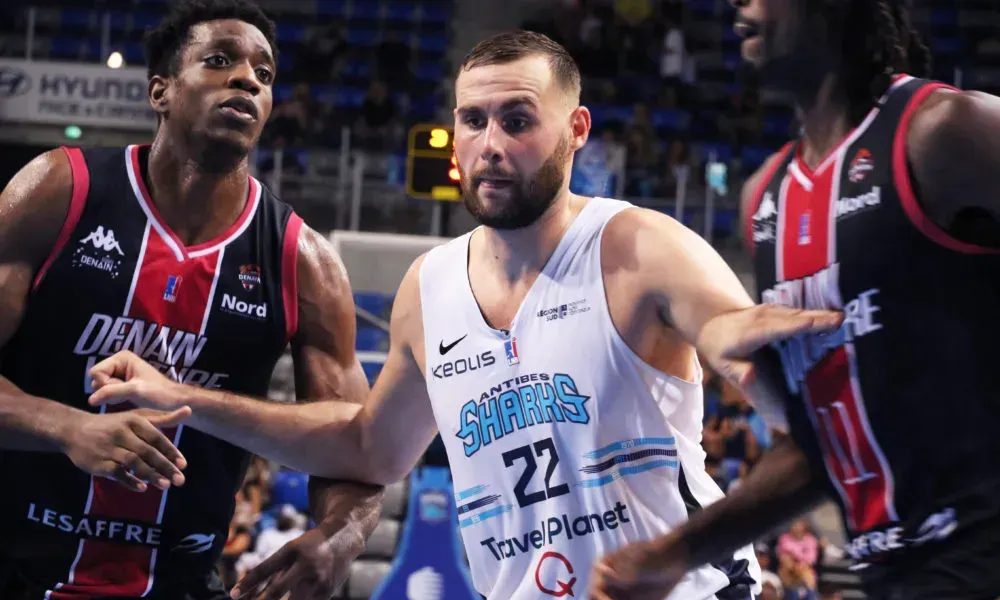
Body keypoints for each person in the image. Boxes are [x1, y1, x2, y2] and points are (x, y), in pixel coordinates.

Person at [88, 30, 842, 599]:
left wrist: (733, 333)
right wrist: (181, 400)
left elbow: (724, 325)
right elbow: (368, 448)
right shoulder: (431, 285)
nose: (489, 145)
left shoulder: (637, 244)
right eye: (473, 120)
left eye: (518, 120)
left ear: (577, 130)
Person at [589, 1, 1000, 599]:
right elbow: (814, 449)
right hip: (901, 578)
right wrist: (673, 553)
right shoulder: (767, 203)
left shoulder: (947, 130)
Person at [0, 1, 382, 598]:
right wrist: (67, 427)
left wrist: (341, 534)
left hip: (181, 583)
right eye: (220, 60)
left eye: (263, 73)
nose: (246, 79)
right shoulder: (59, 190)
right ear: (161, 91)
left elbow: (354, 444)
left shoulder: (302, 259)